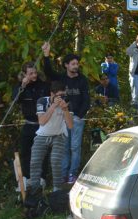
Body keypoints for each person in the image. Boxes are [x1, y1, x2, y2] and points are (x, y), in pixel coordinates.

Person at [42, 42, 90, 184]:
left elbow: (87, 99)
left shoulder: (83, 80)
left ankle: (72, 174)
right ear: (66, 65)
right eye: (73, 64)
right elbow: (49, 73)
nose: (76, 66)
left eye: (77, 63)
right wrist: (46, 55)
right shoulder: (61, 78)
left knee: (75, 147)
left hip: (76, 118)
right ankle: (63, 174)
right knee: (64, 148)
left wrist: (80, 115)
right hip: (62, 118)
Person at [26, 81, 73, 198]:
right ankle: (35, 190)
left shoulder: (67, 103)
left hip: (59, 134)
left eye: (64, 95)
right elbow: (41, 122)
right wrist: (53, 106)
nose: (62, 98)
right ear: (52, 94)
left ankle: (57, 190)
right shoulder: (42, 101)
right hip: (42, 134)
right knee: (35, 161)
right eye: (59, 95)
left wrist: (65, 110)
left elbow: (71, 125)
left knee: (56, 160)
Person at [14, 61, 49, 181]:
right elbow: (15, 100)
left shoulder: (43, 84)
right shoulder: (21, 86)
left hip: (42, 124)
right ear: (24, 74)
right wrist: (22, 86)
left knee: (42, 153)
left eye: (35, 72)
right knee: (25, 152)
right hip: (28, 124)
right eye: (30, 73)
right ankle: (25, 177)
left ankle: (42, 178)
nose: (34, 75)